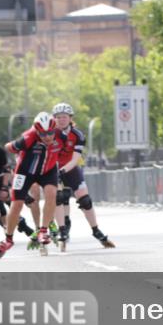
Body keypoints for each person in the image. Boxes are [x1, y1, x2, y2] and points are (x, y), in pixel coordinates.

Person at [0, 112, 63, 259]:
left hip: (48, 171)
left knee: (51, 194)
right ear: (37, 131)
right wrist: (14, 149)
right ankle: (8, 239)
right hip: (25, 173)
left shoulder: (61, 135)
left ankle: (43, 230)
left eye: (50, 133)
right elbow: (8, 147)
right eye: (43, 134)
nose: (48, 137)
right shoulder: (28, 138)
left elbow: (71, 151)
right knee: (16, 204)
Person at [52, 102, 114, 250]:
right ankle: (62, 229)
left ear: (70, 118)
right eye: (58, 117)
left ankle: (96, 230)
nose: (61, 120)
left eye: (64, 117)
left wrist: (63, 170)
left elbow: (74, 159)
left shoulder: (77, 135)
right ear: (54, 119)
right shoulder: (49, 133)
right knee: (59, 197)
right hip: (53, 168)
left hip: (71, 167)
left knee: (85, 199)